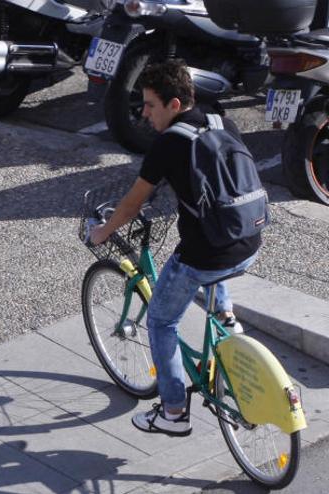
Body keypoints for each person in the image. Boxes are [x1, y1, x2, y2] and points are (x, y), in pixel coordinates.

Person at [89, 60, 260, 436]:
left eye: (151, 105)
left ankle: (173, 411)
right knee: (215, 260)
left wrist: (103, 232)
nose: (144, 113)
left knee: (162, 320)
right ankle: (227, 318)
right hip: (249, 240)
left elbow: (133, 203)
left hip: (207, 254)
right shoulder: (221, 122)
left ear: (175, 105)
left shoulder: (169, 143)